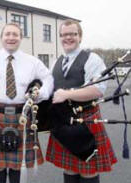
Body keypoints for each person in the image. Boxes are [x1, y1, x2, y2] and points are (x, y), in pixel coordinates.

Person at [0, 23, 53, 183]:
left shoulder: (32, 61)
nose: (11, 38)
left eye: (15, 34)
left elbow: (48, 79)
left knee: (18, 165)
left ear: (21, 38)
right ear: (1, 37)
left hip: (22, 115)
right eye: (7, 34)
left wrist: (41, 94)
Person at [45, 19, 117, 183]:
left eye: (72, 34)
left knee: (88, 170)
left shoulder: (92, 59)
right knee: (69, 168)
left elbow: (98, 90)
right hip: (63, 121)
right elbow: (50, 89)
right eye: (64, 35)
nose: (68, 38)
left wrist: (68, 94)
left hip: (86, 120)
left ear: (80, 37)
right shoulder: (56, 61)